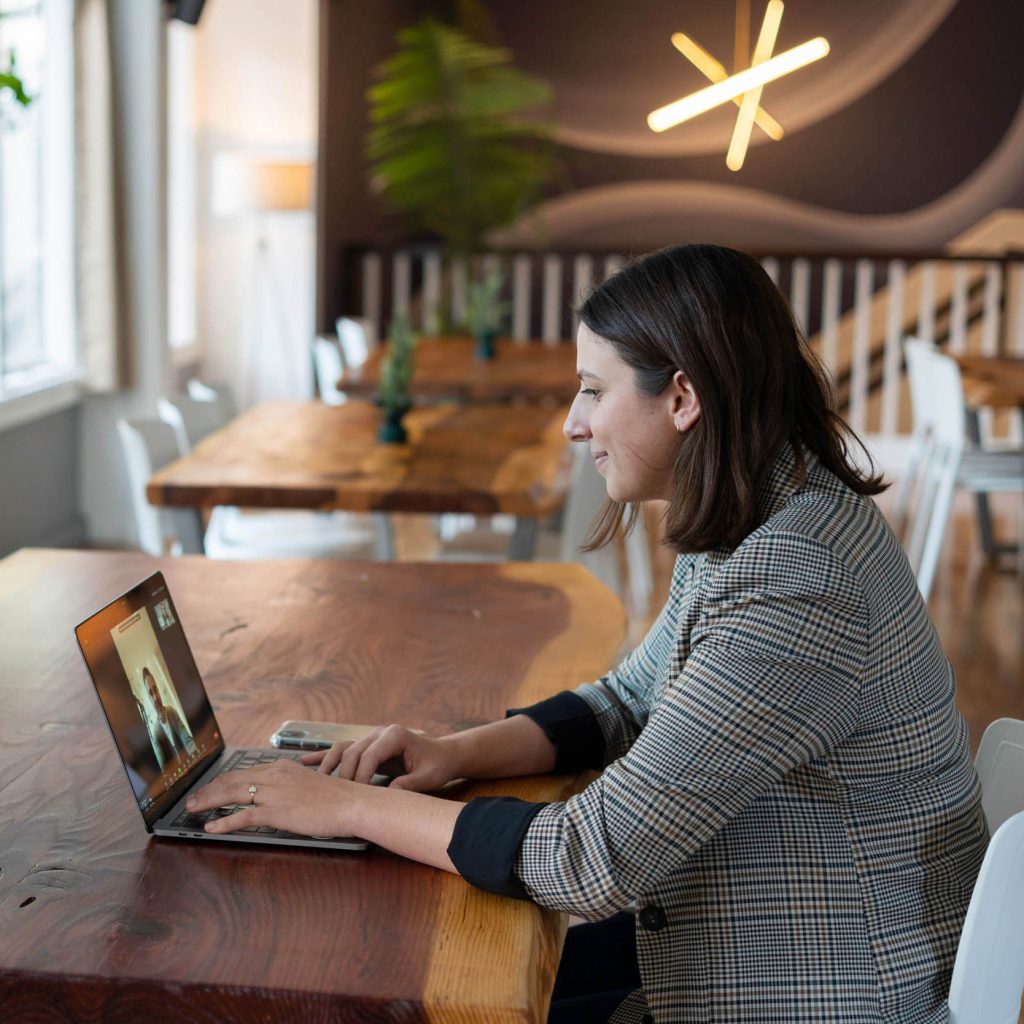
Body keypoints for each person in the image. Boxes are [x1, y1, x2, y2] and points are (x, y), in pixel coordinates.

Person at [188, 244, 987, 1023]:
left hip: (828, 990)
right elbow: (628, 700)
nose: (573, 424)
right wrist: (454, 751)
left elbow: (590, 858)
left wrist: (343, 810)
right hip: (756, 944)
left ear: (682, 397)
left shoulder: (801, 575)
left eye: (593, 391)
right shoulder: (767, 512)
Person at [143, 666, 195, 767]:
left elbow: (187, 740)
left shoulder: (172, 712)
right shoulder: (155, 733)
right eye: (150, 693)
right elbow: (164, 769)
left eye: (155, 689)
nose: (155, 697)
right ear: (149, 699)